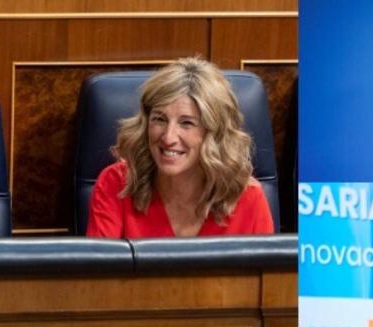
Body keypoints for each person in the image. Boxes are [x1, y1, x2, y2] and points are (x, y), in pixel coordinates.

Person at [86, 57, 274, 238]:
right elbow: (100, 261)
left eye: (186, 123)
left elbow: (265, 262)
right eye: (159, 119)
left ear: (213, 132)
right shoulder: (117, 184)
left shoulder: (249, 198)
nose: (168, 137)